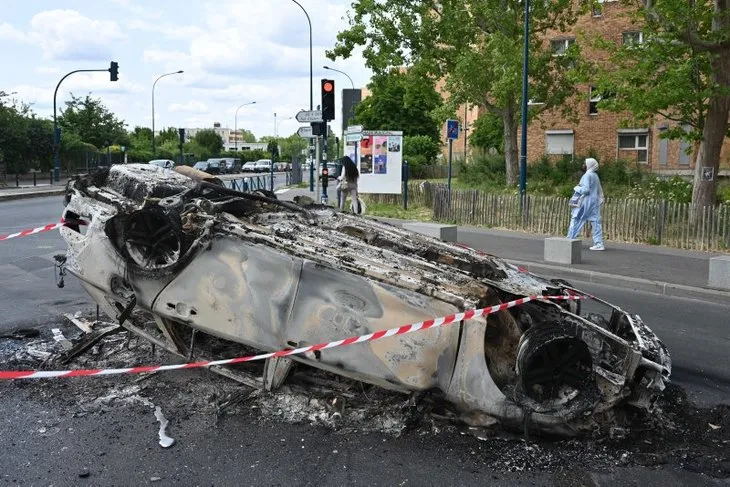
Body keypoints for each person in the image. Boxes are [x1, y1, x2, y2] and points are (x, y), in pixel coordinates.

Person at [567, 157, 605, 250]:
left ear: (589, 165)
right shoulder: (595, 175)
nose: (583, 165)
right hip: (594, 202)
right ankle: (599, 243)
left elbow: (586, 190)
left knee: (576, 218)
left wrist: (576, 188)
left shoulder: (587, 175)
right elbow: (599, 190)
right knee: (595, 222)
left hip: (585, 201)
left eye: (585, 163)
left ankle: (570, 239)